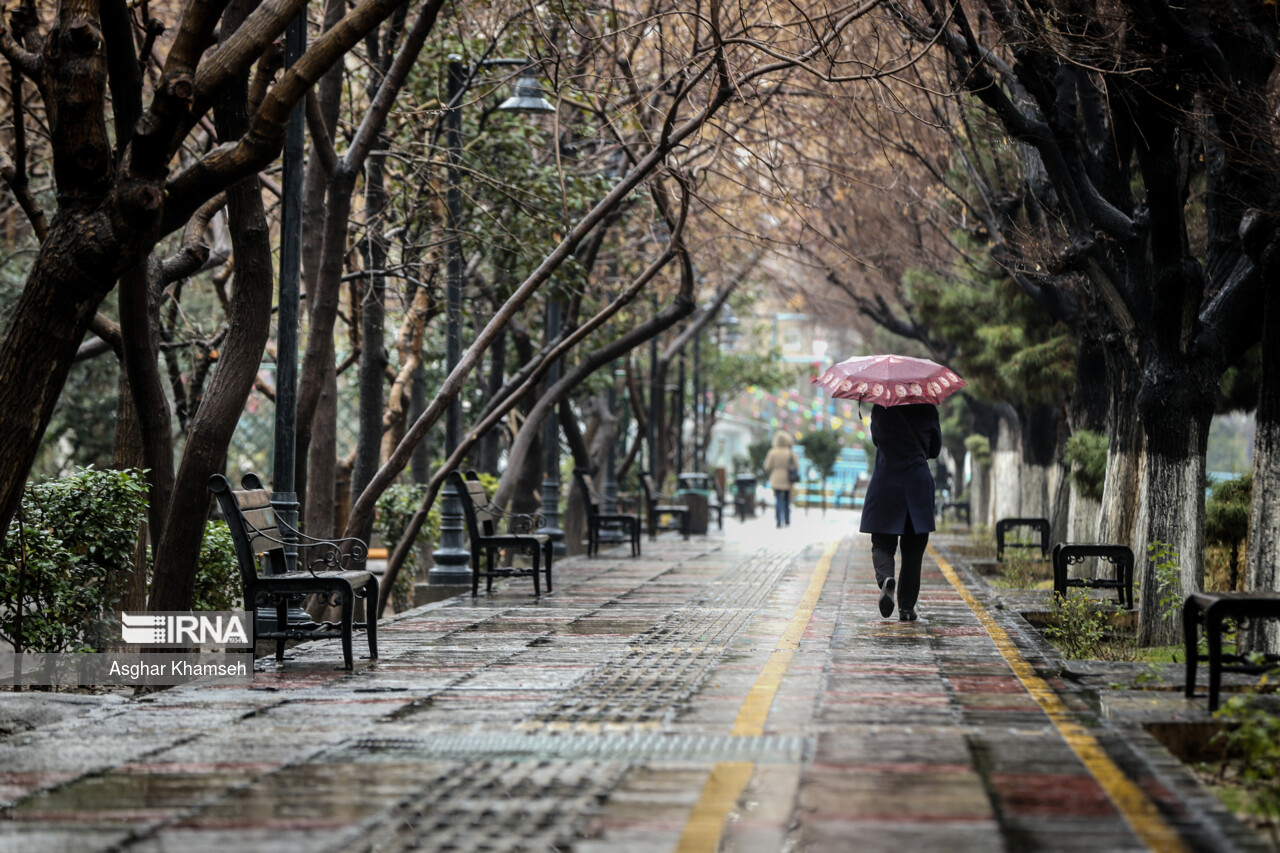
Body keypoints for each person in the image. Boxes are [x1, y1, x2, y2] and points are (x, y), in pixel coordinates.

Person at [860, 403, 942, 621]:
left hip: (886, 482)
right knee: (913, 552)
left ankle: (886, 579)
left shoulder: (880, 408)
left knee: (882, 543)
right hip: (917, 484)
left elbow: (877, 440)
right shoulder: (928, 409)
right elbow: (934, 451)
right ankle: (906, 608)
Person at [763, 431, 800, 528]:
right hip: (788, 478)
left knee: (778, 499)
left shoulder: (772, 452)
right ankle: (787, 520)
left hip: (776, 478)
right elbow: (796, 466)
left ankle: (779, 520)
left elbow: (767, 466)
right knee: (787, 500)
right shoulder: (791, 452)